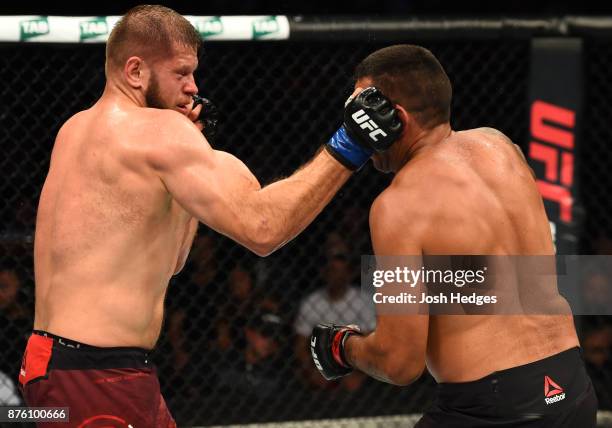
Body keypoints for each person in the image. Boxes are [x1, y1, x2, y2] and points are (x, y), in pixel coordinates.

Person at [18, 5, 402, 427]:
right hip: (96, 373)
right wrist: (350, 143)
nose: (193, 88)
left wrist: (191, 161)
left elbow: (174, 261)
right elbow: (263, 229)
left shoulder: (75, 129)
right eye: (181, 73)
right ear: (135, 71)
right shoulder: (159, 132)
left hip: (61, 364)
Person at [310, 45, 598, 427]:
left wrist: (342, 347)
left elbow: (400, 362)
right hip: (572, 387)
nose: (355, 127)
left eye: (361, 111)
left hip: (493, 407)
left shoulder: (398, 206)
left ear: (394, 118)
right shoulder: (502, 148)